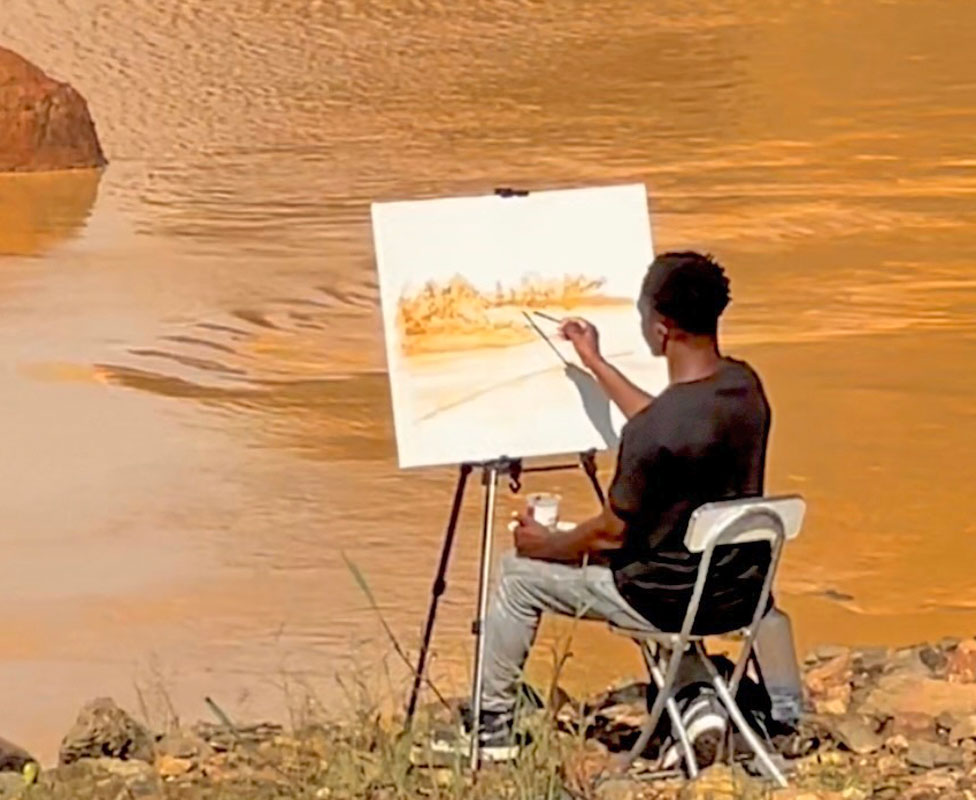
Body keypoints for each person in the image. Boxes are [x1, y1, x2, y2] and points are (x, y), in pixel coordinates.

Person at [446, 251, 803, 762]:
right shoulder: (745, 388)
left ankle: (491, 726)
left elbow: (608, 535)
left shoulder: (654, 434)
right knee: (621, 547)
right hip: (739, 589)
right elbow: (665, 422)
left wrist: (543, 544)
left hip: (666, 600)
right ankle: (781, 714)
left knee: (517, 576)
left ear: (661, 330)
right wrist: (594, 362)